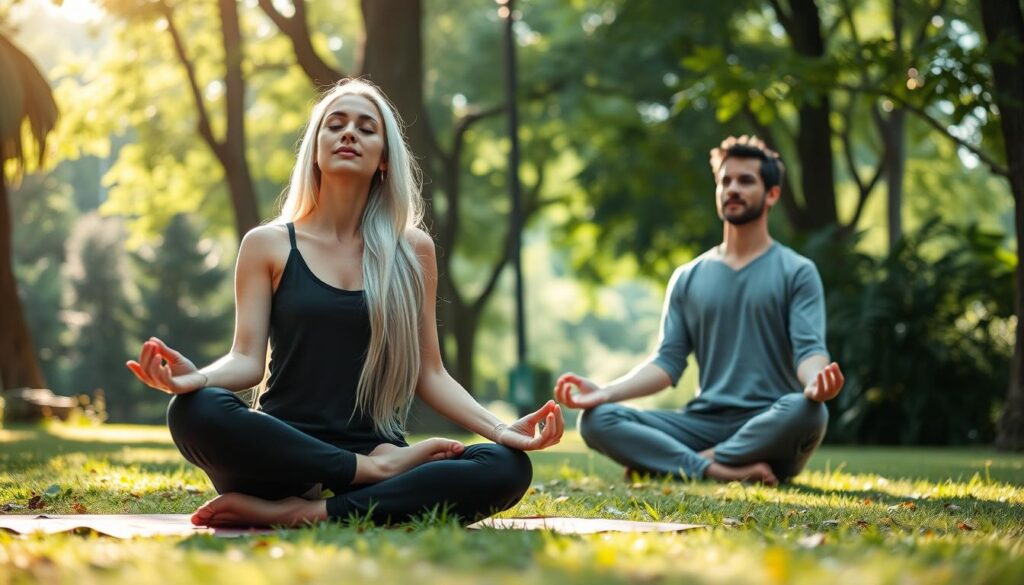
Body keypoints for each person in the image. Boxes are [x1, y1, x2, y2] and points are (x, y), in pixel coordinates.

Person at [127, 78, 563, 527]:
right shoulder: (267, 244)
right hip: (283, 454)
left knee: (506, 466)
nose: (349, 133)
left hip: (377, 448)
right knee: (194, 409)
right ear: (315, 149)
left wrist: (500, 430)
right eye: (335, 125)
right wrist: (197, 379)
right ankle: (363, 478)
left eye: (366, 128)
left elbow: (430, 374)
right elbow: (246, 359)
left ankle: (308, 513)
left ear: (384, 158)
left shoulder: (412, 250)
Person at [554, 135, 843, 485]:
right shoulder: (688, 276)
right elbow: (667, 362)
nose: (732, 189)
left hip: (769, 425)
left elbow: (809, 350)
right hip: (701, 424)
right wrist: (606, 392)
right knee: (597, 419)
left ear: (772, 194)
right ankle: (716, 469)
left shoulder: (797, 271)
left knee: (808, 411)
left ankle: (682, 464)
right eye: (725, 180)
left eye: (746, 180)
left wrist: (816, 383)